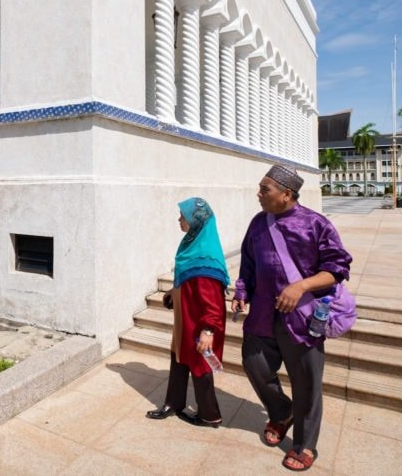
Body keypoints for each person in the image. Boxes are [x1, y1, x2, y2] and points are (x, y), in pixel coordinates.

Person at [232, 165, 352, 472]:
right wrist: (242, 291)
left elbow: (337, 269)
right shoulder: (259, 223)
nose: (258, 194)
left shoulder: (316, 224)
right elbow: (248, 262)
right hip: (261, 314)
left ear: (287, 194)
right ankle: (282, 411)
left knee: (307, 383)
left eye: (264, 190)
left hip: (302, 320)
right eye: (260, 188)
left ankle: (305, 444)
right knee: (254, 364)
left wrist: (301, 286)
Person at [146, 197, 230, 427]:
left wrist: (208, 331)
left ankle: (209, 415)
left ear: (196, 220)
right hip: (186, 317)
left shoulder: (206, 259)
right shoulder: (192, 245)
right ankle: (174, 402)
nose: (179, 219)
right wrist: (173, 295)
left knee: (201, 365)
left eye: (183, 216)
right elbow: (187, 281)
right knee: (179, 358)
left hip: (200, 322)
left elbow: (212, 302)